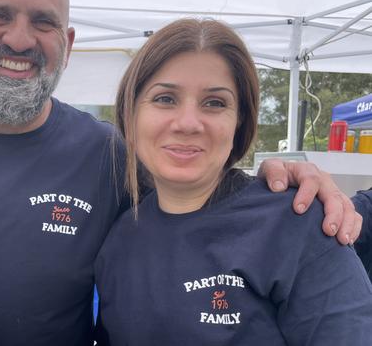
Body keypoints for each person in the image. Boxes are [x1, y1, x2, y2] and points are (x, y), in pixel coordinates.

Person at [0, 0, 365, 344]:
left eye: (44, 22)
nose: (21, 39)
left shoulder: (110, 155)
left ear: (67, 44)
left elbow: (201, 193)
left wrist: (286, 178)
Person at [94, 18, 372, 345]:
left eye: (215, 103)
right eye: (165, 98)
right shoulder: (119, 238)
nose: (187, 123)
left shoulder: (298, 225)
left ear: (239, 120)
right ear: (131, 112)